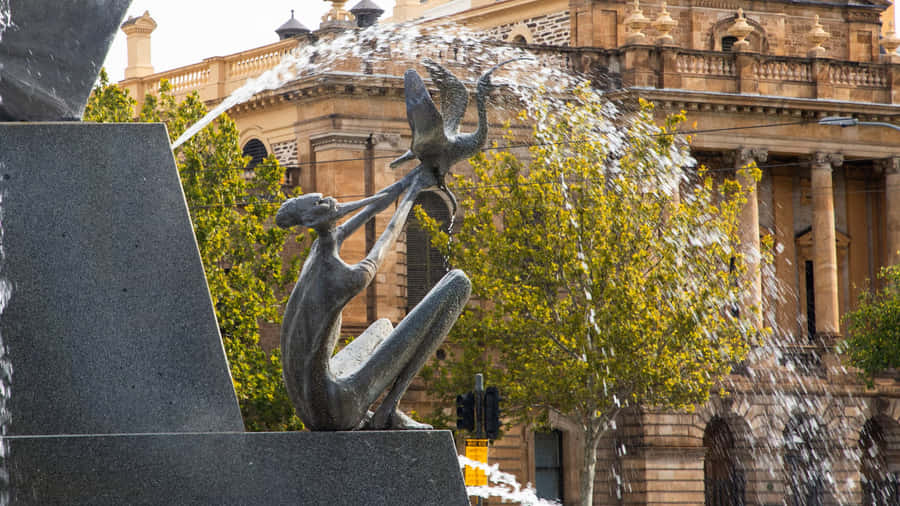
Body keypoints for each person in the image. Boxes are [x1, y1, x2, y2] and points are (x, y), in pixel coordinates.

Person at [276, 165, 471, 430]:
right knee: (459, 282)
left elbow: (373, 206)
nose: (330, 199)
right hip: (336, 408)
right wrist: (412, 192)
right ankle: (389, 409)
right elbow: (389, 235)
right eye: (321, 203)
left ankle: (385, 411)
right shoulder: (344, 278)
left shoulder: (318, 250)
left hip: (310, 408)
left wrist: (409, 180)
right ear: (312, 220)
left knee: (384, 327)